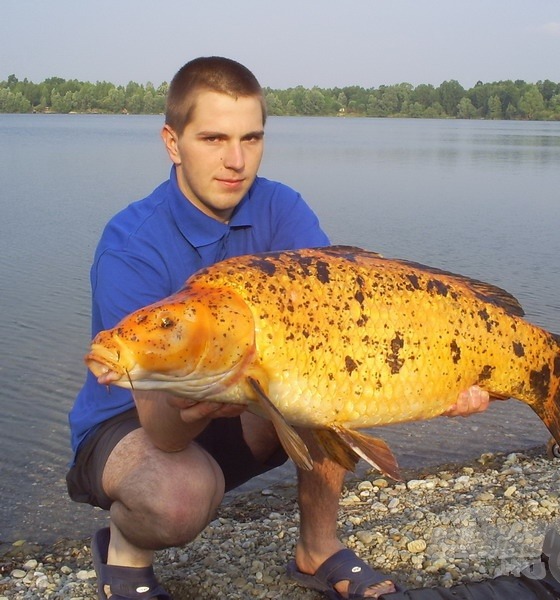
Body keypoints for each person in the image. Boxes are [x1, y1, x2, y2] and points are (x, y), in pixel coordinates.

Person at [67, 56, 492, 600]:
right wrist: (193, 402)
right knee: (179, 498)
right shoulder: (133, 246)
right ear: (173, 143)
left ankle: (316, 548)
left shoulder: (280, 207)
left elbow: (343, 321)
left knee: (325, 389)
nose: (236, 160)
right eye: (213, 138)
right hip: (135, 424)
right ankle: (125, 549)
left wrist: (439, 378)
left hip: (238, 391)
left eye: (252, 138)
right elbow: (163, 431)